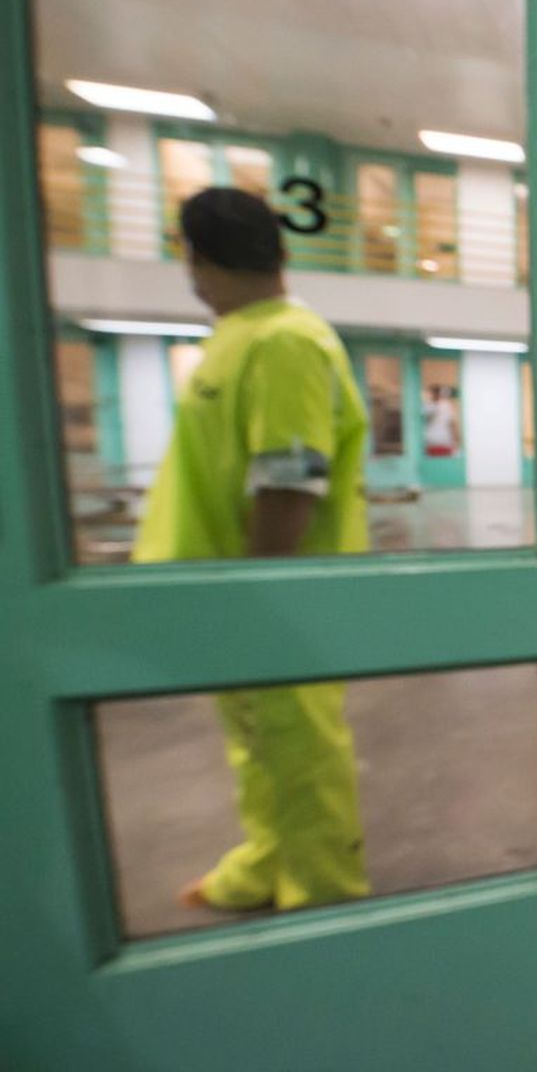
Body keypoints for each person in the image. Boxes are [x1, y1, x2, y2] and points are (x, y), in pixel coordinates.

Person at [132, 187, 371, 914]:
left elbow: (289, 479)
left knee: (299, 750)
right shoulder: (240, 337)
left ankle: (324, 891)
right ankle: (269, 861)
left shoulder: (285, 341)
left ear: (195, 258)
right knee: (258, 746)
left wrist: (264, 586)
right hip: (228, 590)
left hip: (272, 593)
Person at [423, 384, 460, 457]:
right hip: (430, 441)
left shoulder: (446, 405)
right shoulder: (427, 406)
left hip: (443, 440)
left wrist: (455, 438)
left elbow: (451, 423)